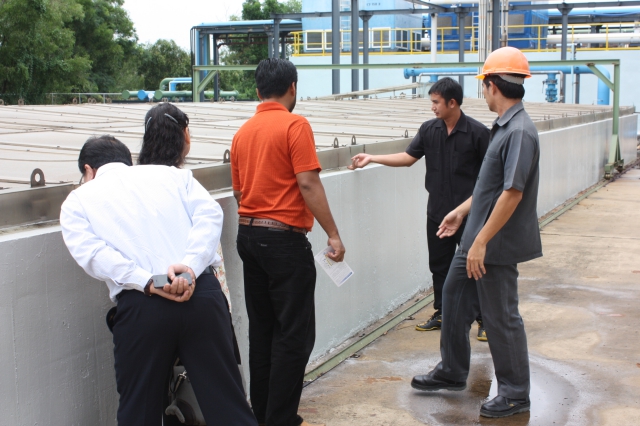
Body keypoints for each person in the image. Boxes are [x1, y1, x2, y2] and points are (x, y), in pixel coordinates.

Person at [60, 134, 257, 426]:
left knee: (139, 411)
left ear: (88, 170)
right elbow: (210, 215)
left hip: (142, 306)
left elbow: (93, 254)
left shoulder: (78, 200)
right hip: (200, 293)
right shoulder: (174, 176)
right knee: (228, 405)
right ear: (127, 160)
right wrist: (189, 267)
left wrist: (147, 281)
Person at [410, 46, 542, 419]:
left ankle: (515, 393)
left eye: (484, 84)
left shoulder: (519, 132)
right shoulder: (502, 127)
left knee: (500, 316)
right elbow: (489, 186)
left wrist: (482, 240)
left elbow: (512, 193)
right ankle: (452, 371)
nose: (483, 91)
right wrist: (460, 212)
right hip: (474, 239)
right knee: (452, 295)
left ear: (492, 85)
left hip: (493, 245)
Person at [231, 58, 345, 426]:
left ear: (257, 91)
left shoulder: (242, 133)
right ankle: (279, 420)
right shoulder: (295, 125)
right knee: (294, 335)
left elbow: (238, 192)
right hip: (283, 241)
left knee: (262, 331)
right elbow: (308, 182)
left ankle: (263, 415)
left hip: (248, 235)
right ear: (292, 88)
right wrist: (333, 233)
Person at [349, 77, 490, 340]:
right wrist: (372, 157)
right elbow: (408, 158)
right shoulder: (428, 130)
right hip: (437, 212)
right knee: (439, 265)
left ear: (452, 103)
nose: (432, 107)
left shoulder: (478, 133)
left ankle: (485, 318)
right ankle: (443, 312)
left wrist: (469, 211)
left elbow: (490, 178)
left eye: (436, 102)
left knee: (475, 266)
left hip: (469, 215)